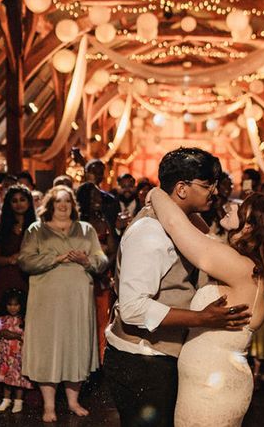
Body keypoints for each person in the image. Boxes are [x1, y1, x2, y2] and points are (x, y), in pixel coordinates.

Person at [103, 148, 252, 427]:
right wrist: (202, 318)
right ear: (181, 189)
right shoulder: (149, 233)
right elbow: (134, 309)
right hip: (142, 361)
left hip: (160, 358)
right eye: (207, 185)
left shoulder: (181, 224)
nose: (215, 192)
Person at [148, 183, 264, 427]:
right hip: (216, 384)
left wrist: (156, 193)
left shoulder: (239, 266)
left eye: (242, 206)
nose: (233, 205)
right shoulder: (250, 266)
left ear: (248, 226)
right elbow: (202, 233)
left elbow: (177, 227)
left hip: (211, 391)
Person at [18, 185, 108, 422]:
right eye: (58, 201)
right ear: (50, 204)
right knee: (49, 347)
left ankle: (73, 401)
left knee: (75, 345)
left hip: (77, 300)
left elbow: (102, 261)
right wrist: (56, 258)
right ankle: (49, 405)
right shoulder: (36, 230)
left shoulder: (86, 230)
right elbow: (26, 261)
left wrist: (85, 260)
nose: (63, 205)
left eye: (67, 201)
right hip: (46, 301)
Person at [76, 182, 118, 362]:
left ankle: (100, 364)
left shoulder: (104, 221)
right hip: (83, 277)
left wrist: (102, 268)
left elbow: (114, 249)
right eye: (92, 197)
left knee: (102, 321)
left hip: (103, 278)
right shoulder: (78, 223)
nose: (97, 200)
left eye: (98, 196)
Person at [0, 185, 35, 316]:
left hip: (28, 278)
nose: (19, 204)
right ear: (8, 204)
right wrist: (11, 259)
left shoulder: (38, 229)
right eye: (14, 201)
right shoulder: (1, 229)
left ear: (29, 202)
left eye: (22, 199)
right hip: (6, 277)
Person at [0, 288, 33, 414]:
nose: (13, 308)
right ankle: (6, 399)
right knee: (6, 378)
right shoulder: (2, 320)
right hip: (5, 355)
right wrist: (2, 333)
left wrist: (13, 335)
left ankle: (18, 401)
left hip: (19, 355)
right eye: (10, 305)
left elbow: (27, 336)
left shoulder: (25, 320)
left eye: (16, 305)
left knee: (18, 379)